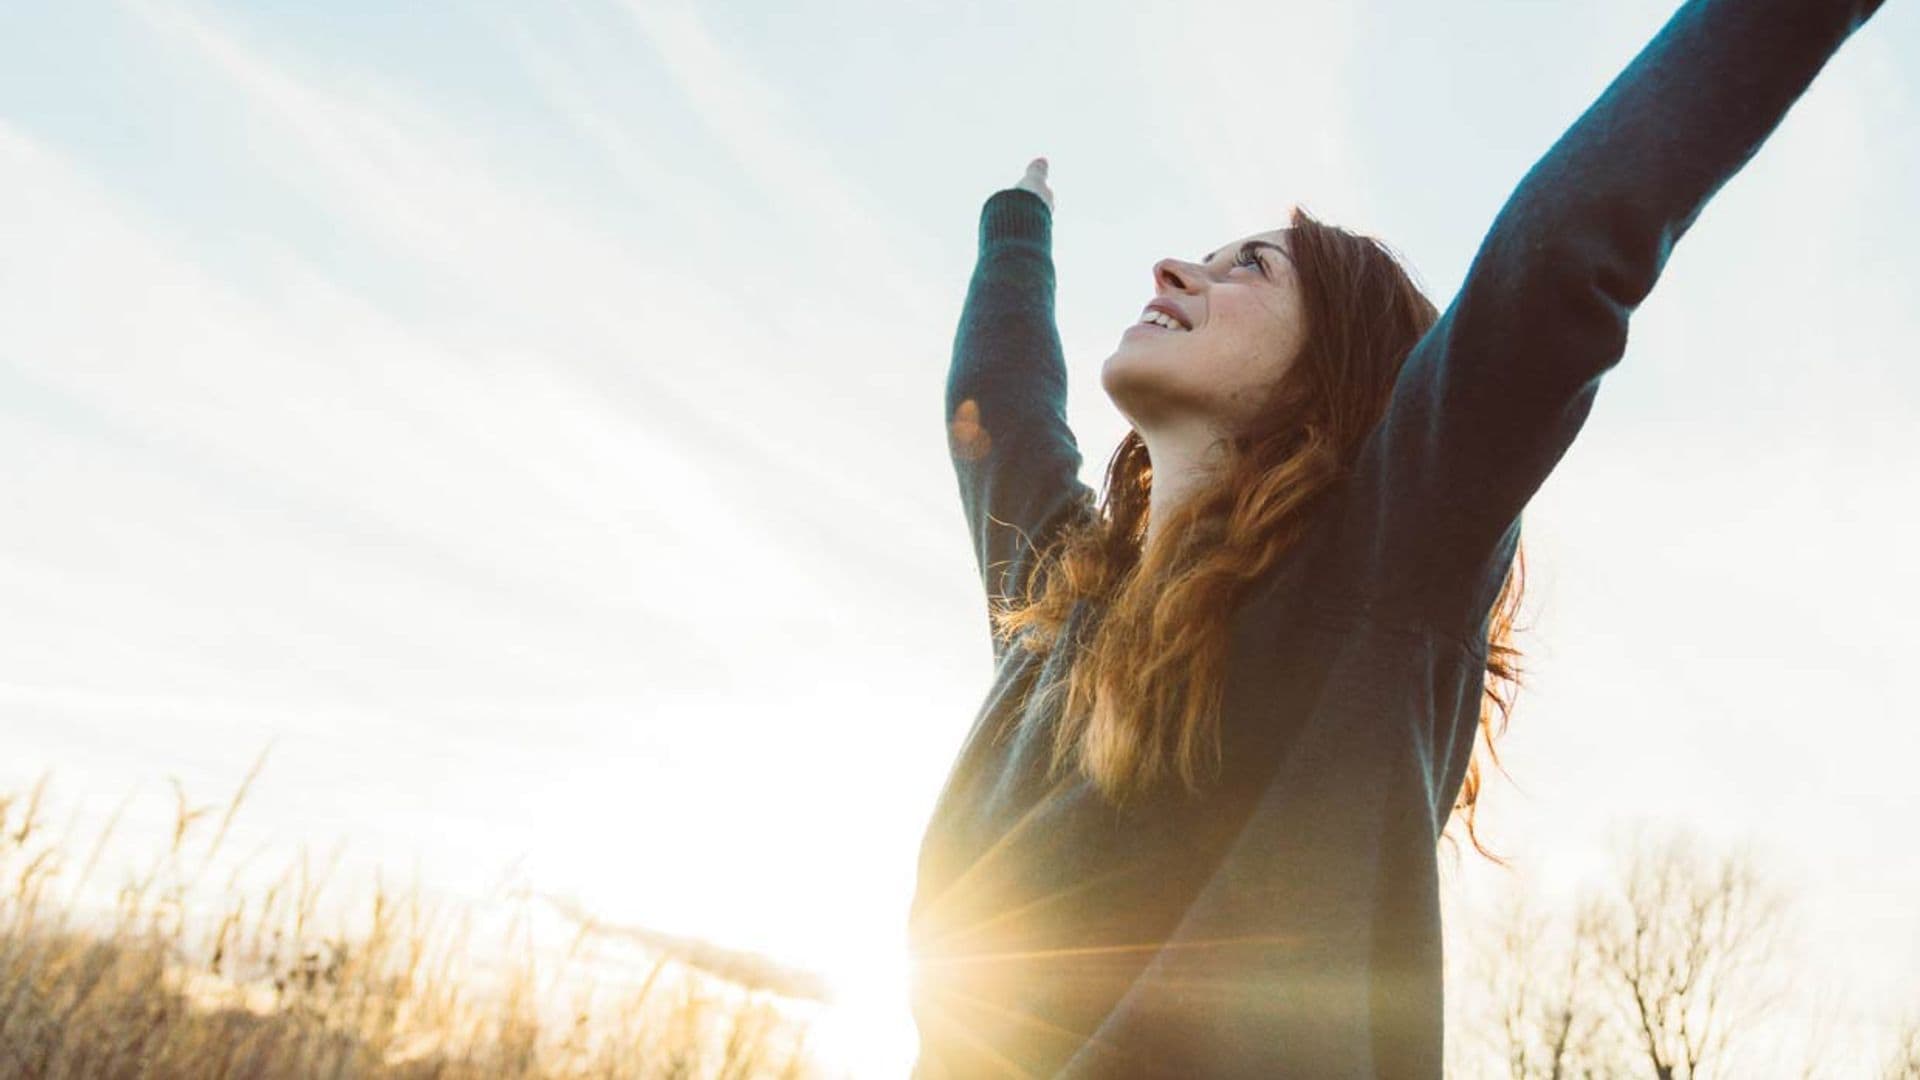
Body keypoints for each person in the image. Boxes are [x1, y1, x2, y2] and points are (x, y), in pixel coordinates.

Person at [907, 0, 1892, 1075]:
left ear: (1337, 380)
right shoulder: (1058, 615)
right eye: (1205, 255)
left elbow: (1561, 253)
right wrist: (1016, 226)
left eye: (1251, 269)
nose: (1176, 273)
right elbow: (996, 412)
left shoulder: (1375, 575)